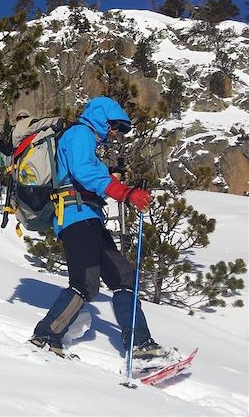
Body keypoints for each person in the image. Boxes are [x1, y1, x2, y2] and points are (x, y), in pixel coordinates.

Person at [29, 96, 164, 360]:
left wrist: (112, 178)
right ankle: (46, 335)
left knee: (124, 277)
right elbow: (84, 173)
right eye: (115, 126)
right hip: (75, 217)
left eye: (120, 130)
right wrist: (124, 192)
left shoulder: (86, 139)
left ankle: (139, 343)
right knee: (85, 283)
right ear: (103, 119)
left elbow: (88, 172)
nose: (115, 133)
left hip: (89, 218)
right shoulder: (80, 133)